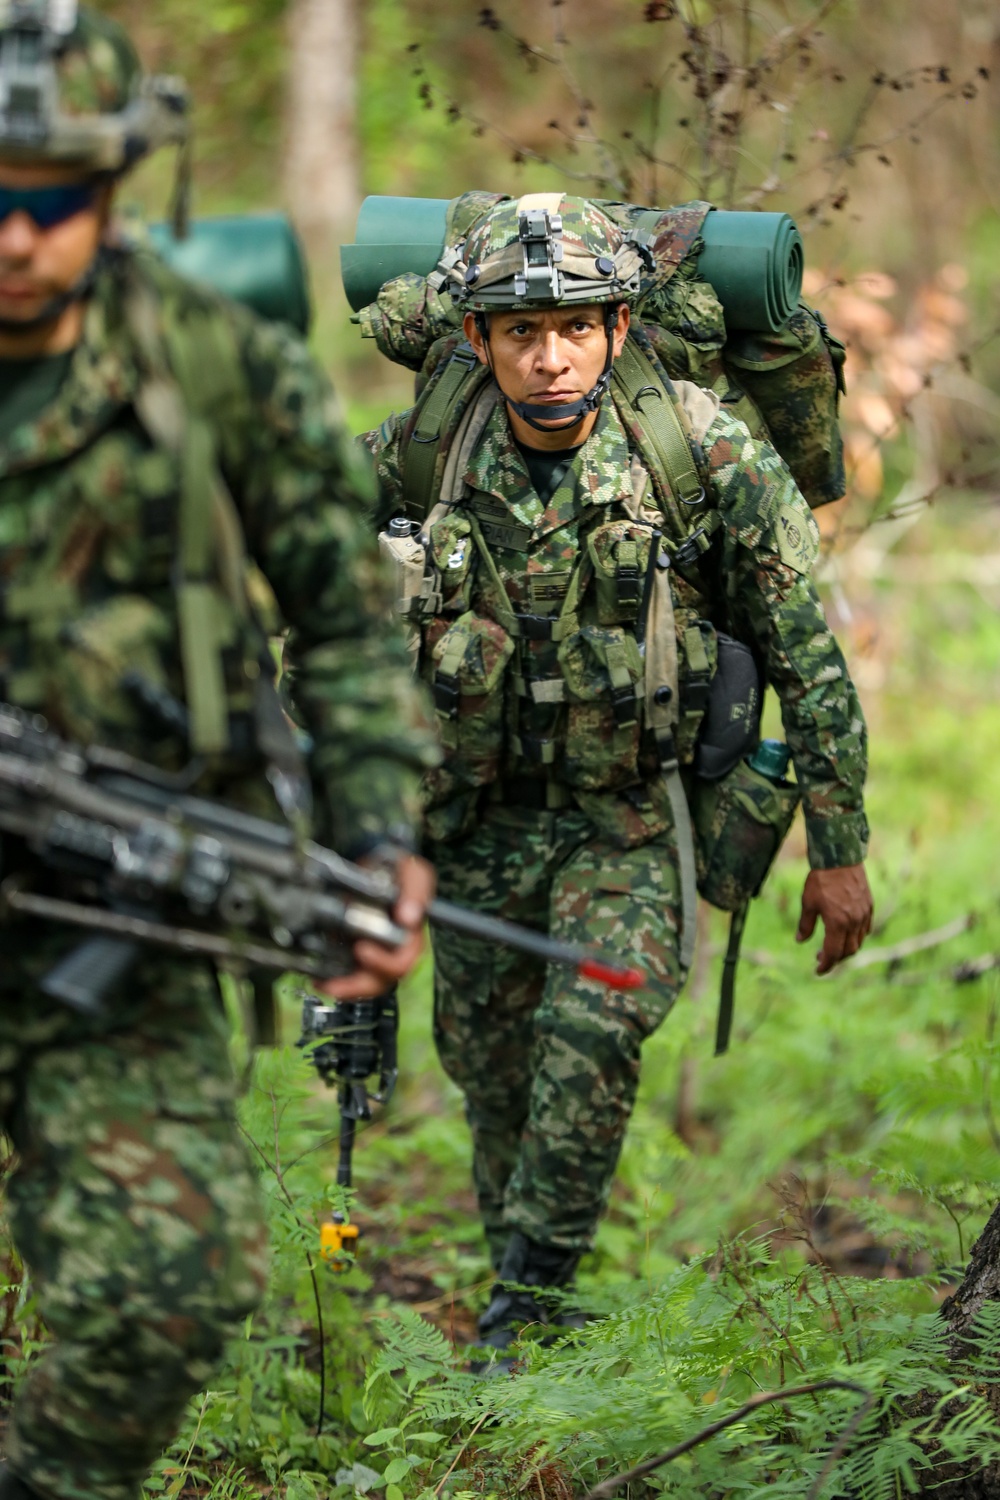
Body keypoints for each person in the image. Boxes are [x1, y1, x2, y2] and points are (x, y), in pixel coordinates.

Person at [0, 6, 438, 1498]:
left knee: (169, 1285)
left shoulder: (215, 367)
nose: (13, 233)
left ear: (116, 189)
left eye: (49, 196)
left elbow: (345, 621)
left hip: (119, 902)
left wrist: (375, 838)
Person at [365, 193, 873, 1352]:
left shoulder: (698, 449)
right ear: (478, 341)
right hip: (476, 822)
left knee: (593, 1037)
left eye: (578, 329)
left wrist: (838, 850)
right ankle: (522, 1295)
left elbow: (806, 650)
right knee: (492, 1080)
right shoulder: (428, 453)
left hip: (628, 824)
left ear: (620, 329)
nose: (550, 360)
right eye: (520, 335)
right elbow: (306, 589)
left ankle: (524, 1304)